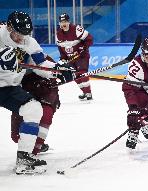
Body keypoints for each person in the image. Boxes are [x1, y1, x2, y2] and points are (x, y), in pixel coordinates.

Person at [0, 11, 74, 174]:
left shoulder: (28, 41)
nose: (21, 38)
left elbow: (41, 63)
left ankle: (24, 159)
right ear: (9, 28)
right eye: (18, 34)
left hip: (8, 87)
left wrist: (58, 70)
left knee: (33, 109)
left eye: (25, 34)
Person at [56, 13, 94, 101]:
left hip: (81, 57)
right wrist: (63, 58)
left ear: (69, 22)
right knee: (74, 75)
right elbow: (61, 48)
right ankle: (85, 92)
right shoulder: (58, 34)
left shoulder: (77, 29)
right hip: (70, 59)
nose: (63, 24)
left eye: (65, 21)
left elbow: (90, 39)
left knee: (82, 72)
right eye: (61, 22)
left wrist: (82, 48)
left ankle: (88, 93)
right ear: (59, 23)